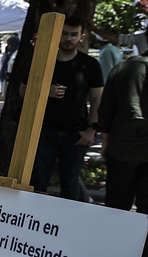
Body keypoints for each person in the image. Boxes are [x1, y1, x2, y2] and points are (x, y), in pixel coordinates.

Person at [19, 16, 104, 200]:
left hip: (76, 133)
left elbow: (97, 99)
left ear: (82, 37)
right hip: (44, 131)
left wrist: (92, 129)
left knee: (70, 182)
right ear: (57, 35)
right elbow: (22, 90)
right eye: (64, 33)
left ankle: (68, 225)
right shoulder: (43, 62)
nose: (68, 38)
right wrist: (45, 91)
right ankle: (35, 221)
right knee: (38, 182)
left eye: (74, 35)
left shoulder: (90, 65)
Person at [97, 53, 148, 257]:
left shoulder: (123, 67)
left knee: (118, 207)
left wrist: (105, 142)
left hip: (122, 147)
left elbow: (106, 108)